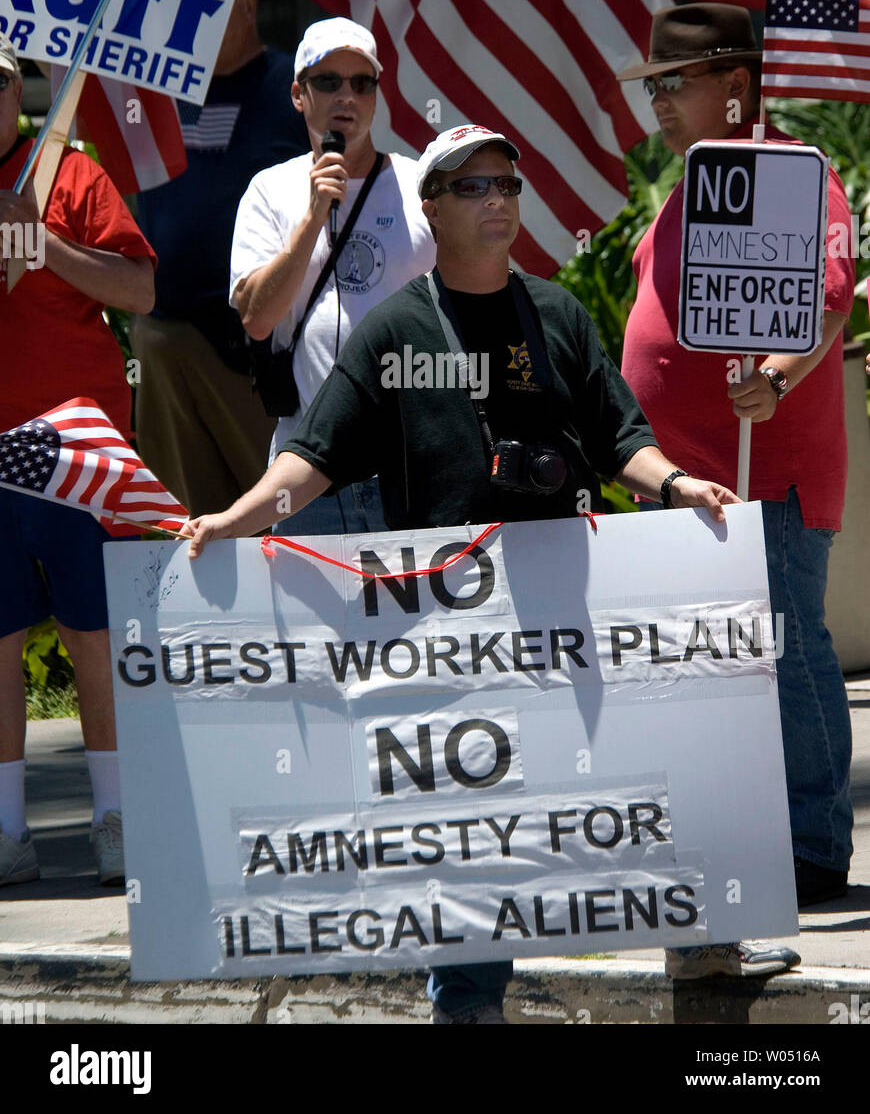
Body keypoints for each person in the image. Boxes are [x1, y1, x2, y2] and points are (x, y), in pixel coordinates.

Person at [183, 123, 756, 1022]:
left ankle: (703, 942)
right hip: (453, 631)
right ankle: (468, 1005)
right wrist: (234, 518)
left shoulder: (559, 314)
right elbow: (314, 456)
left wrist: (681, 487)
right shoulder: (395, 330)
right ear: (434, 209)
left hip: (574, 609)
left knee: (634, 783)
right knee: (475, 831)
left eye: (508, 183)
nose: (499, 199)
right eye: (475, 186)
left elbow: (623, 440)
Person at [617, 3, 855, 927]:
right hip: (684, 482)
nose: (661, 103)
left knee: (789, 653)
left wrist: (778, 382)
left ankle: (814, 846)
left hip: (771, 478)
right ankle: (725, 829)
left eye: (675, 85)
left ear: (735, 88)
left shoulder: (792, 174)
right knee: (704, 666)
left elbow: (830, 301)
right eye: (656, 86)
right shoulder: (695, 181)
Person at [0, 33, 157, 886]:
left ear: (18, 91)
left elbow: (139, 290)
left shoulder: (73, 176)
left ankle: (115, 819)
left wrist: (44, 245)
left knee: (92, 635)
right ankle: (6, 832)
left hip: (70, 450)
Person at [228, 16, 435, 535]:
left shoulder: (422, 187)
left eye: (362, 83)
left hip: (413, 464)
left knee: (424, 616)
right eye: (329, 81)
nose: (348, 95)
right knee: (308, 619)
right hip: (305, 473)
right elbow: (256, 319)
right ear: (299, 94)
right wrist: (314, 215)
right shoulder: (269, 190)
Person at [133, 0, 309, 517]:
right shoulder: (163, 88)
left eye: (205, 7)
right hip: (163, 338)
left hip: (251, 348)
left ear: (251, 6)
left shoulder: (293, 89)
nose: (191, 21)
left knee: (282, 515)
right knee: (189, 525)